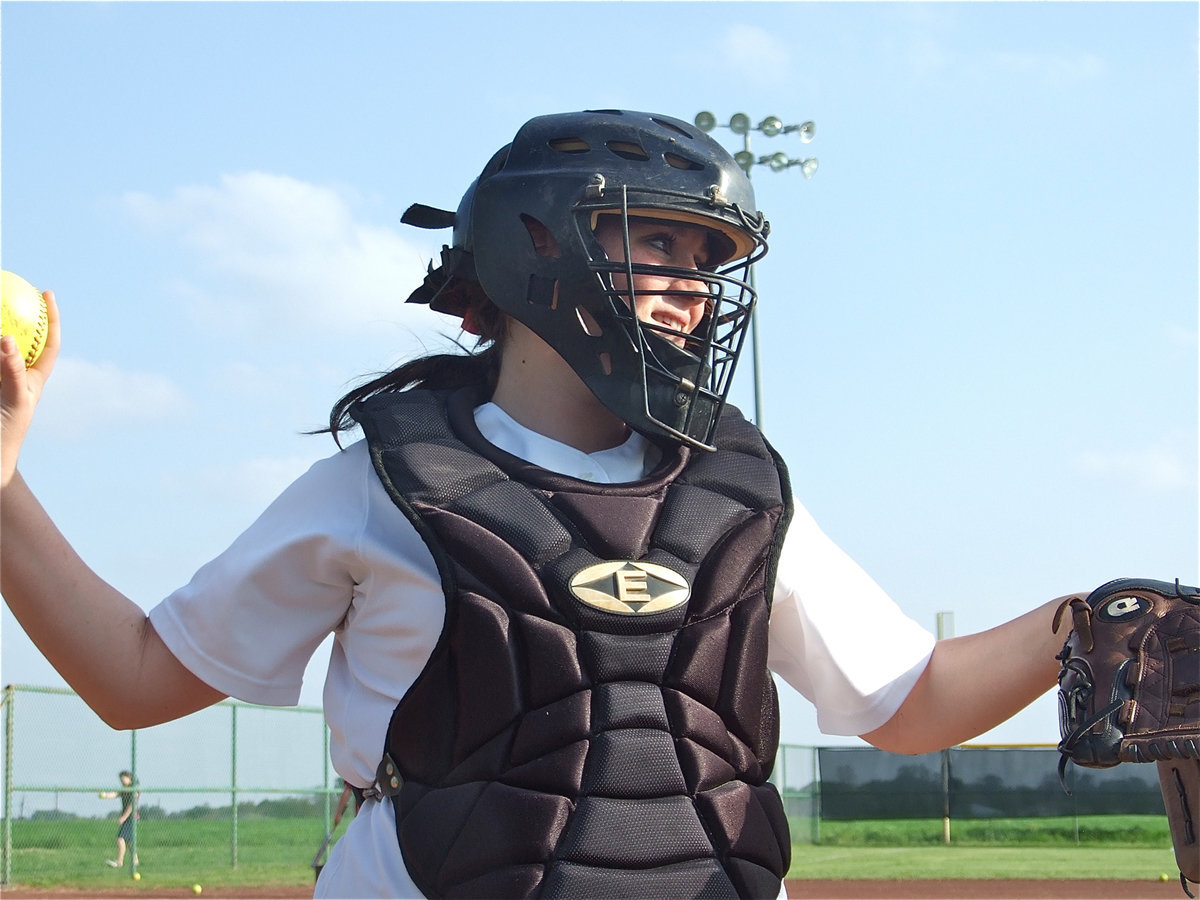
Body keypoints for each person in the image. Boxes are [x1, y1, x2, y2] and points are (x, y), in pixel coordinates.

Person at [2, 109, 1084, 899]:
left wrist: (1090, 622)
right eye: (660, 241)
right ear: (540, 249)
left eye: (708, 258)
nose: (695, 284)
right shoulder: (382, 485)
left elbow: (912, 702)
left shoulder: (739, 494)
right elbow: (134, 680)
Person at [99, 770, 139, 868]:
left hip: (131, 818)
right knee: (129, 841)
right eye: (120, 779)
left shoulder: (134, 789)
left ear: (129, 778)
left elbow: (132, 805)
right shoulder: (124, 789)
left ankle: (119, 862)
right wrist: (105, 796)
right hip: (127, 818)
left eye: (123, 779)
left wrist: (123, 817)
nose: (121, 781)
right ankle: (135, 860)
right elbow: (115, 794)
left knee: (120, 838)